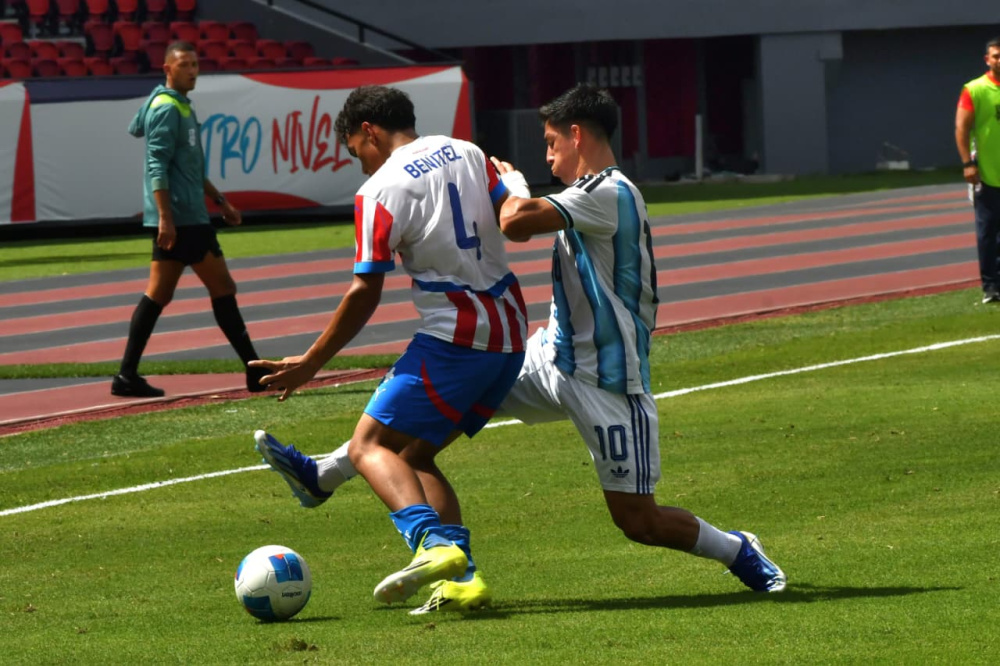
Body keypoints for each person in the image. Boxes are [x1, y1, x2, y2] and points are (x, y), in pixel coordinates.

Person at [265, 84, 787, 615]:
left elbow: (515, 222)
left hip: (606, 379)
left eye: (551, 141)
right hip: (542, 355)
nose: (546, 154)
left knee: (639, 521)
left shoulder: (611, 192)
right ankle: (362, 505)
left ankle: (739, 549)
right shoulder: (498, 164)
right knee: (409, 441)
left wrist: (512, 182)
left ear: (577, 134)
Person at [250, 85, 528, 610]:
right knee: (414, 455)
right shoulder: (467, 151)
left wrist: (310, 363)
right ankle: (462, 579)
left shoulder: (378, 191)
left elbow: (365, 289)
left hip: (456, 336)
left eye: (355, 150)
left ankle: (431, 545)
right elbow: (512, 215)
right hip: (510, 332)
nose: (358, 164)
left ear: (369, 131)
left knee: (367, 447)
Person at [112, 41, 268, 397]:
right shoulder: (168, 108)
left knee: (158, 295)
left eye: (196, 64)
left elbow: (186, 165)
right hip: (183, 220)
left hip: (184, 215)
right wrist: (166, 217)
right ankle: (254, 370)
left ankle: (126, 375)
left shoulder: (176, 105)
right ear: (167, 69)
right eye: (184, 64)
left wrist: (220, 201)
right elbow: (156, 165)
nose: (193, 70)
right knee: (223, 288)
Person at [956, 36, 1000, 305]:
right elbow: (961, 127)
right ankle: (991, 286)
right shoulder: (974, 89)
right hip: (986, 172)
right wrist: (967, 164)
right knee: (987, 231)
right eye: (996, 56)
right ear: (988, 59)